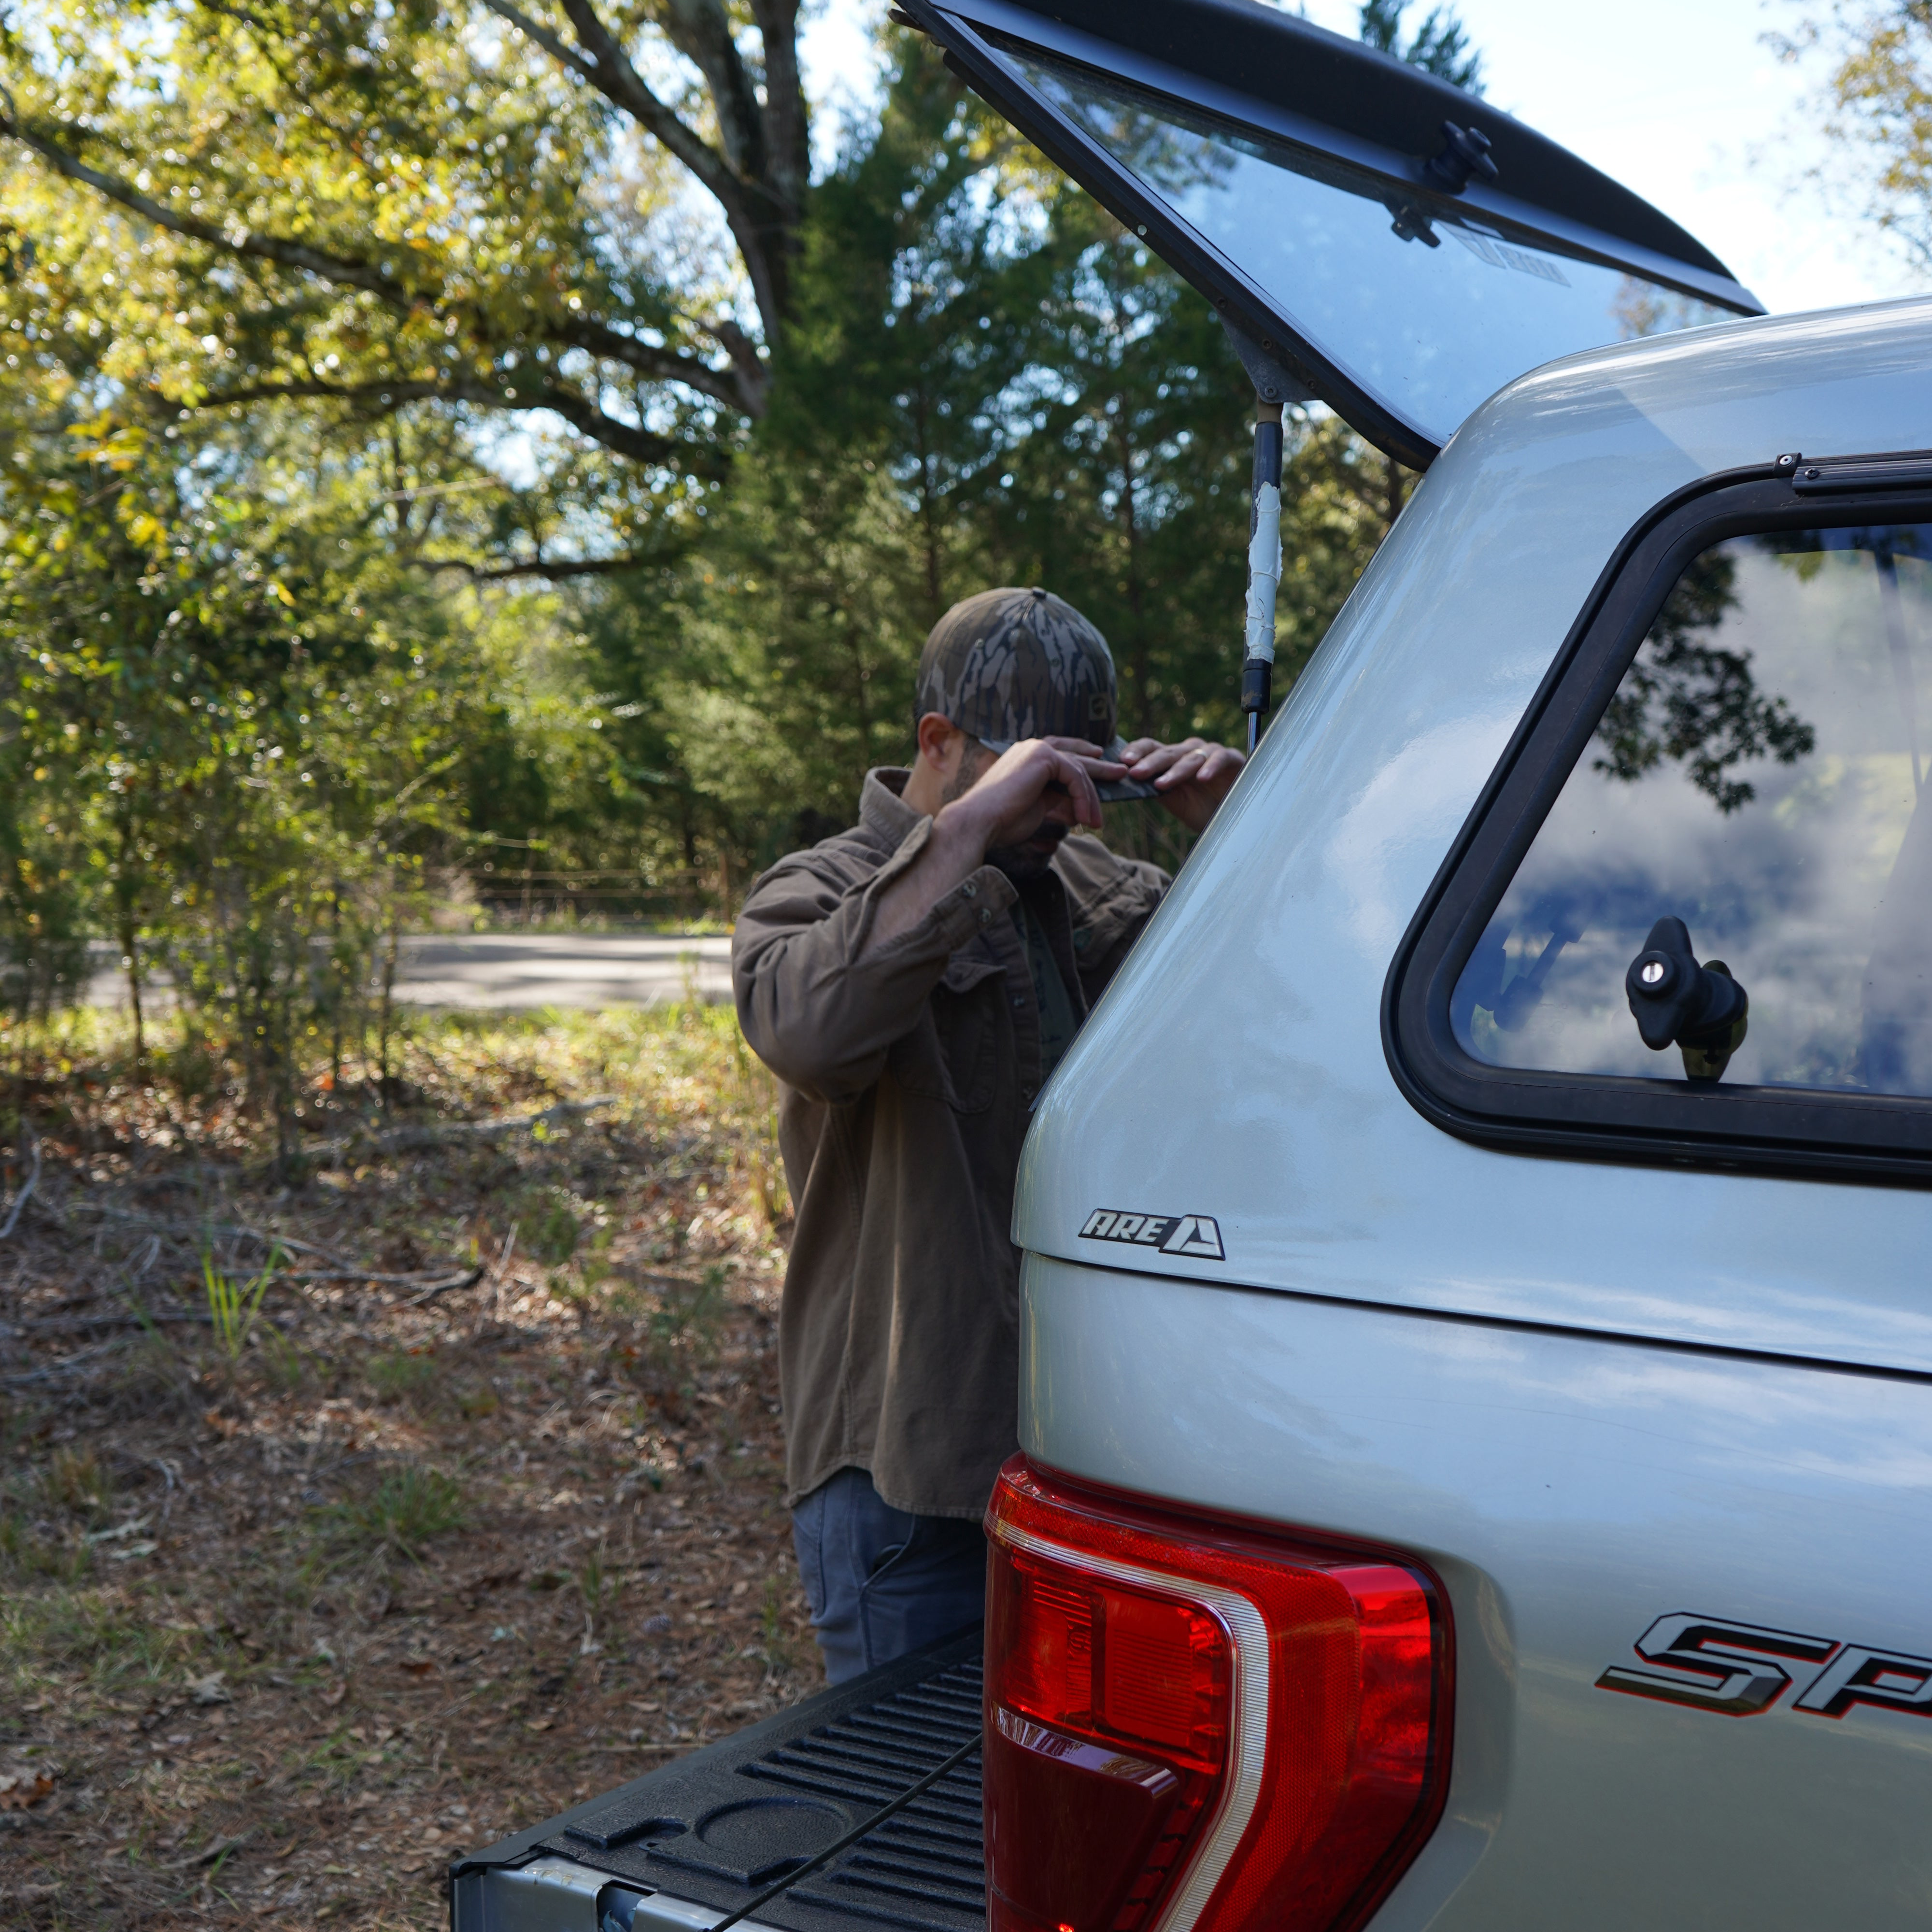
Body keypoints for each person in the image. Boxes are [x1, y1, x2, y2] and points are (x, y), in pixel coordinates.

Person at [732, 586, 1245, 1683]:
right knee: (903, 1824)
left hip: (1087, 1451)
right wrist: (964, 832)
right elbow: (807, 1030)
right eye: (1037, 777)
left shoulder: (1092, 886)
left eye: (1080, 780)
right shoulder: (815, 891)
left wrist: (1251, 837)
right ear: (938, 742)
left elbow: (1282, 1029)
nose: (1059, 813)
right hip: (906, 1476)